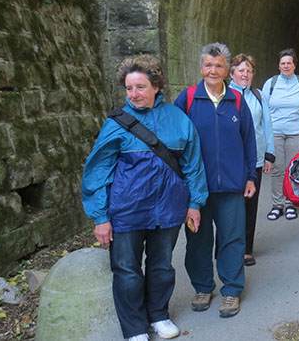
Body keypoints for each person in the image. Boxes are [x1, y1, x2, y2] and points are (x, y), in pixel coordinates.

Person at [81, 55, 207, 341]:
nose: (134, 94)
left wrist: (194, 203)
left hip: (169, 207)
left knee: (162, 266)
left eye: (140, 87)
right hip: (127, 209)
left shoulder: (178, 120)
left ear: (156, 86)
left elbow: (193, 164)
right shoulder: (116, 124)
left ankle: (159, 314)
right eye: (129, 88)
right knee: (127, 270)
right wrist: (100, 217)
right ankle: (135, 328)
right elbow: (98, 171)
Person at [173, 43, 257, 319]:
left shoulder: (237, 101)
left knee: (232, 238)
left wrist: (250, 176)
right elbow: (173, 143)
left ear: (227, 69)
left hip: (232, 185)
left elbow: (248, 140)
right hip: (196, 187)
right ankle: (203, 286)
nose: (213, 70)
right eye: (208, 65)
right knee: (198, 239)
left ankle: (231, 289)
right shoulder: (187, 99)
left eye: (219, 65)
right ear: (201, 68)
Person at [229, 54, 275, 266]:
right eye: (241, 70)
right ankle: (227, 247)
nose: (245, 74)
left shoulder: (258, 96)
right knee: (229, 206)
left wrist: (269, 154)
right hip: (230, 160)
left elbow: (267, 126)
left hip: (254, 159)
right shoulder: (224, 95)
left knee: (250, 205)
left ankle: (247, 249)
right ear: (232, 74)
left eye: (249, 71)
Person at [262, 48, 299, 221]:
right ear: (278, 66)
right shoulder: (271, 84)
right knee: (277, 168)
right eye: (283, 63)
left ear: (294, 65)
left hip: (296, 132)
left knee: (293, 169)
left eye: (289, 63)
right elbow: (264, 109)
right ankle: (277, 204)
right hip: (275, 132)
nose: (286, 66)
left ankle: (291, 203)